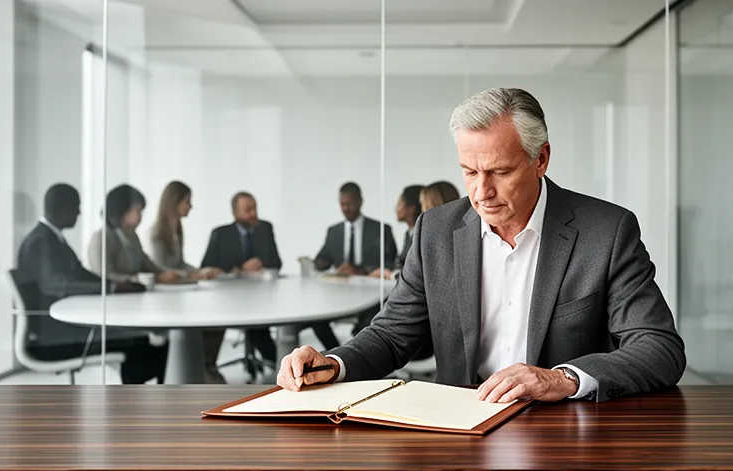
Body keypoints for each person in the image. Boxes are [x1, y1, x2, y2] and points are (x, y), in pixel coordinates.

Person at [277, 87, 685, 403]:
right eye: (469, 172)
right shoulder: (435, 229)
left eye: (500, 172)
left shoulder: (606, 231)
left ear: (540, 159)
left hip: (563, 429)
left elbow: (659, 347)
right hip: (458, 426)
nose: (481, 192)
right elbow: (392, 335)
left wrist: (561, 378)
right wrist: (332, 364)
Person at [16, 184, 168, 384]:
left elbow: (80, 274)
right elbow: (59, 285)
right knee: (142, 340)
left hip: (61, 329)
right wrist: (112, 288)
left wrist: (113, 286)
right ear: (62, 207)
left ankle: (139, 399)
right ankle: (134, 403)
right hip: (56, 337)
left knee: (147, 337)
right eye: (76, 206)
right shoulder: (41, 241)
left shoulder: (50, 238)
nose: (79, 212)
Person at [198, 192, 288, 382]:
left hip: (261, 297)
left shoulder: (265, 228)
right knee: (253, 328)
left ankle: (281, 366)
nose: (253, 214)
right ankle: (210, 365)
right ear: (235, 213)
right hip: (227, 300)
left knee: (258, 326)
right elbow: (206, 266)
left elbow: (277, 263)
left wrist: (261, 265)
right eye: (247, 210)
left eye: (254, 208)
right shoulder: (220, 234)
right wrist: (239, 269)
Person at [87, 184, 180, 285]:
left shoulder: (132, 236)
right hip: (113, 298)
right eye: (138, 211)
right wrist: (150, 279)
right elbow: (105, 276)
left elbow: (149, 266)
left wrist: (177, 274)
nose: (140, 216)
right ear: (122, 210)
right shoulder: (101, 238)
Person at [314, 182, 398, 276]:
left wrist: (362, 271)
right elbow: (324, 258)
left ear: (360, 201)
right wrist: (318, 263)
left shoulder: (381, 230)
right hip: (340, 287)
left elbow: (391, 262)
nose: (345, 208)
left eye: (350, 203)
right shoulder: (333, 232)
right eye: (342, 204)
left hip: (372, 286)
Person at [149, 181, 221, 280]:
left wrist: (201, 271)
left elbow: (180, 264)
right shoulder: (156, 233)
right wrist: (190, 275)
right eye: (187, 202)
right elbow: (160, 268)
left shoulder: (177, 231)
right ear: (175, 202)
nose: (190, 206)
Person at [370, 184, 424, 280]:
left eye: (400, 203)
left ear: (412, 208)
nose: (396, 208)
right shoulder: (409, 233)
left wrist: (390, 274)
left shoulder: (421, 234)